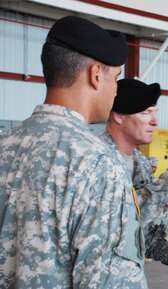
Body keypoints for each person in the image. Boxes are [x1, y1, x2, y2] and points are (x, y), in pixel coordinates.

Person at [0, 16, 150, 288]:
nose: (115, 90)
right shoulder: (100, 163)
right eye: (115, 78)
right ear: (95, 75)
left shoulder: (4, 143)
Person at [102, 78, 168, 263]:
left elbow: (145, 232)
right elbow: (119, 219)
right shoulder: (98, 159)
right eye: (146, 113)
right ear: (119, 115)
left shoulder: (142, 163)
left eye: (155, 112)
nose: (155, 121)